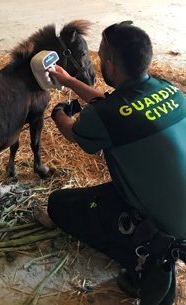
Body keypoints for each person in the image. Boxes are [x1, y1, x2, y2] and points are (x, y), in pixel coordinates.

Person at [43, 21, 186, 305]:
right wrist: (69, 81)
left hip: (173, 230)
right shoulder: (168, 89)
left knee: (59, 205)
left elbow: (73, 132)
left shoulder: (104, 117)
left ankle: (147, 261)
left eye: (99, 57)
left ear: (109, 66)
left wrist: (58, 112)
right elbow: (116, 105)